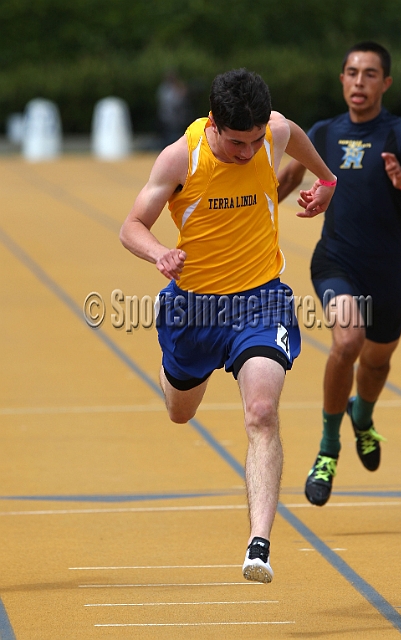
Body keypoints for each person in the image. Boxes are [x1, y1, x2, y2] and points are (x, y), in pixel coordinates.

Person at [120, 68, 337, 582]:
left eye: (256, 141)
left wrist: (327, 180)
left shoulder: (272, 134)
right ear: (214, 123)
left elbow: (294, 136)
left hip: (261, 300)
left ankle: (258, 545)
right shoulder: (181, 157)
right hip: (193, 310)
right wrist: (159, 255)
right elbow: (131, 226)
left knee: (262, 411)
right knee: (180, 412)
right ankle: (175, 374)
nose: (248, 153)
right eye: (238, 143)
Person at [277, 42, 401, 508]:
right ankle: (328, 449)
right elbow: (283, 183)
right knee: (347, 342)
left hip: (388, 271)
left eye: (370, 74)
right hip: (336, 262)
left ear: (385, 83)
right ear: (341, 79)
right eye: (352, 72)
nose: (359, 81)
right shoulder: (323, 132)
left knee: (376, 362)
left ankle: (363, 416)